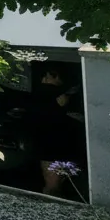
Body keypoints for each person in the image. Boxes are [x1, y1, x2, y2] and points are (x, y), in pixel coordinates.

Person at [33, 68, 85, 196]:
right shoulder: (51, 95)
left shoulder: (43, 94)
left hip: (52, 145)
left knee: (54, 185)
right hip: (54, 146)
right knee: (54, 186)